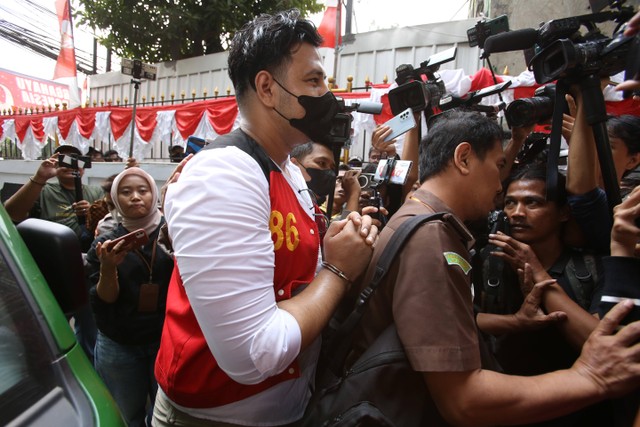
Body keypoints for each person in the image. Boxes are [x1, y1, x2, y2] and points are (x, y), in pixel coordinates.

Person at [152, 10, 378, 426]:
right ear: (267, 88)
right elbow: (255, 352)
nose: (327, 95)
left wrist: (341, 240)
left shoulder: (288, 170)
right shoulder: (224, 175)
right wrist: (337, 271)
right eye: (313, 81)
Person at [348, 110, 640, 426]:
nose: (501, 187)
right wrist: (590, 376)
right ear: (464, 158)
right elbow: (465, 402)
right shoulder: (430, 237)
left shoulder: (417, 220)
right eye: (499, 165)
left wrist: (514, 322)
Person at [86, 167, 173, 427]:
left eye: (142, 190)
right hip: (119, 344)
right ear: (115, 198)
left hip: (164, 340)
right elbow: (106, 300)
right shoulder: (105, 244)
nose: (135, 197)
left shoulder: (173, 234)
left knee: (165, 415)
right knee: (127, 415)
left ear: (153, 194)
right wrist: (108, 267)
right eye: (126, 192)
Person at [4, 145, 104, 252]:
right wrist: (40, 177)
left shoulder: (97, 192)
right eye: (64, 161)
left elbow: (109, 223)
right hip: (51, 252)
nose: (70, 166)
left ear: (83, 167)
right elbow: (11, 213)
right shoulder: (43, 191)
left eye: (75, 161)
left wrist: (92, 213)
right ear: (55, 166)